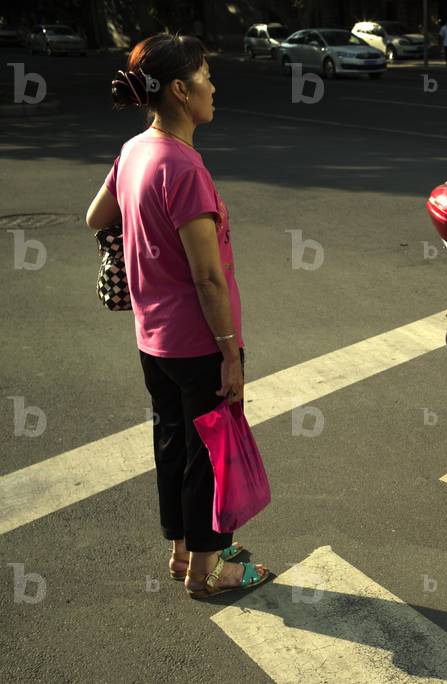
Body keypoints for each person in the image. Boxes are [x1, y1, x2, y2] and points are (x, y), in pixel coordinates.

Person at [85, 33, 269, 599]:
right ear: (182, 91)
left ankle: (182, 550)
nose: (215, 85)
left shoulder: (136, 150)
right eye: (207, 75)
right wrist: (230, 352)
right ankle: (211, 568)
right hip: (197, 342)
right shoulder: (184, 168)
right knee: (209, 454)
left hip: (153, 340)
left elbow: (97, 216)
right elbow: (208, 276)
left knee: (173, 443)